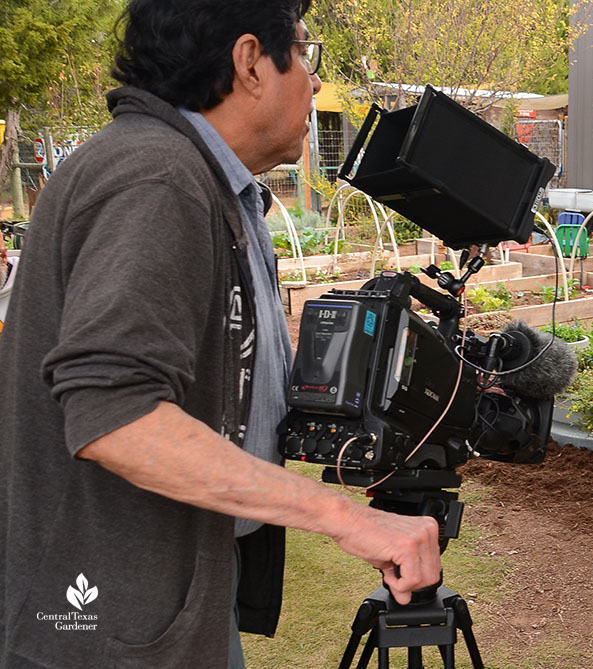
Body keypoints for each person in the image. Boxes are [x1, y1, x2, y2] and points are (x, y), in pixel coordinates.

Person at [0, 1, 441, 666]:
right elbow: (115, 413)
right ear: (251, 64)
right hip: (109, 626)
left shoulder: (209, 186)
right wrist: (348, 517)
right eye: (306, 52)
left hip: (172, 599)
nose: (315, 82)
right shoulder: (156, 178)